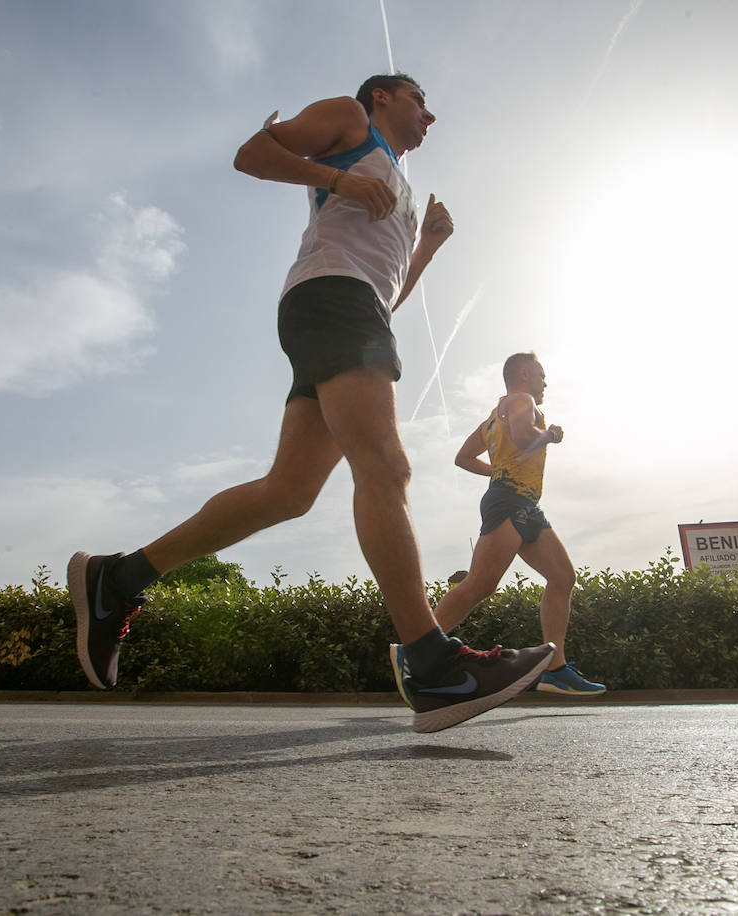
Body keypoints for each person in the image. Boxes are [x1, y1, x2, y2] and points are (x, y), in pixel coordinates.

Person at [67, 73, 553, 734]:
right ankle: (436, 667)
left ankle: (117, 578)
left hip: (351, 310)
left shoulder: (400, 191)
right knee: (384, 467)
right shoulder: (349, 120)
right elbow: (252, 154)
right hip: (331, 302)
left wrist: (428, 247)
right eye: (419, 100)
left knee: (289, 491)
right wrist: (340, 179)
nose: (430, 116)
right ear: (382, 97)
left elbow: (384, 297)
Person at [391, 353, 605, 702]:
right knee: (479, 585)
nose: (545, 382)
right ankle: (415, 647)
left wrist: (497, 470)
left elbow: (463, 457)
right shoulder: (523, 401)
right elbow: (523, 437)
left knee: (563, 577)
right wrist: (548, 434)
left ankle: (555, 669)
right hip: (511, 501)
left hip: (521, 502)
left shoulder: (493, 417)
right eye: (541, 374)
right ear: (524, 374)